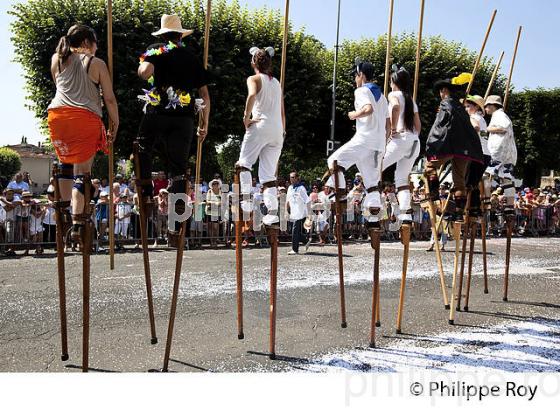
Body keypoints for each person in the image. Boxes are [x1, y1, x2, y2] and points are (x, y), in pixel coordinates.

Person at [136, 14, 210, 247]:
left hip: (158, 112)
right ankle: (177, 223)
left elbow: (145, 73)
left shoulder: (156, 49)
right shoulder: (191, 57)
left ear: (163, 35)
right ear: (180, 36)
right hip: (184, 118)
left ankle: (147, 194)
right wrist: (203, 124)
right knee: (178, 168)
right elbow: (205, 96)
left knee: (142, 146)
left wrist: (145, 63)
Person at [47, 24, 119, 239]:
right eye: (95, 43)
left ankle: (62, 211)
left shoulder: (56, 59)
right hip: (84, 116)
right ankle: (78, 222)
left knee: (65, 162)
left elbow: (61, 87)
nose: (97, 48)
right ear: (87, 43)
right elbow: (109, 99)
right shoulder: (96, 63)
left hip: (57, 116)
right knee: (82, 172)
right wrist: (114, 123)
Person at [325, 59, 390, 226]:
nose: (355, 79)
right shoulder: (383, 97)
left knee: (333, 161)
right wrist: (383, 141)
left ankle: (340, 196)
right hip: (378, 145)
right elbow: (388, 124)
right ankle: (374, 221)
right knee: (372, 185)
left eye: (355, 75)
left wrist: (353, 114)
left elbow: (368, 109)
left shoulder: (361, 91)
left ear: (361, 75)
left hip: (364, 140)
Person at [236, 46, 285, 228]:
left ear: (253, 62)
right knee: (267, 176)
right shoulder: (276, 82)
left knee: (243, 164)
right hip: (276, 130)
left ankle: (247, 201)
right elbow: (281, 110)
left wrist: (246, 118)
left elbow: (251, 96)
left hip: (260, 125)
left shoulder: (254, 78)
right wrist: (282, 131)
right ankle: (272, 215)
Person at [423, 73, 484, 221]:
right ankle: (458, 213)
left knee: (429, 166)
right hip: (465, 149)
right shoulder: (461, 106)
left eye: (441, 91)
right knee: (459, 181)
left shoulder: (446, 103)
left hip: (450, 144)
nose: (440, 94)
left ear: (445, 90)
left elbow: (442, 125)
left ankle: (433, 194)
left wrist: (433, 144)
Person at [382, 66, 421, 224]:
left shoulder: (393, 94)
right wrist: (413, 137)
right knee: (401, 179)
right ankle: (405, 214)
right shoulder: (411, 99)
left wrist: (393, 129)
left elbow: (396, 107)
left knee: (375, 167)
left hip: (401, 139)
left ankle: (373, 207)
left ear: (394, 82)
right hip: (414, 142)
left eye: (391, 81)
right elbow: (418, 125)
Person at [485, 95, 517, 215]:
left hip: (498, 152)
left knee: (486, 173)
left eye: (486, 106)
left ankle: (487, 199)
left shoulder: (499, 115)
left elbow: (503, 127)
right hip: (508, 153)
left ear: (492, 105)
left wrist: (488, 128)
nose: (485, 109)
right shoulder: (500, 115)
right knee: (506, 178)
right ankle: (509, 206)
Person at [464, 95, 490, 215]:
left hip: (476, 154)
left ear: (476, 107)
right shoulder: (482, 118)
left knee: (465, 182)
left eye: (468, 106)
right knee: (473, 183)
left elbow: (475, 127)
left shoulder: (473, 117)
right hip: (485, 155)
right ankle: (475, 208)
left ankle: (463, 209)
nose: (466, 109)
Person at [286, 172, 310, 254]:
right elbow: (288, 199)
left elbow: (307, 200)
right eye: (290, 177)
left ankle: (295, 249)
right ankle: (306, 240)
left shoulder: (301, 188)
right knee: (294, 230)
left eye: (292, 177)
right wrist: (287, 208)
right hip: (293, 212)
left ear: (297, 178)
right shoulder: (290, 188)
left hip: (300, 212)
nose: (291, 179)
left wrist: (309, 213)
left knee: (294, 230)